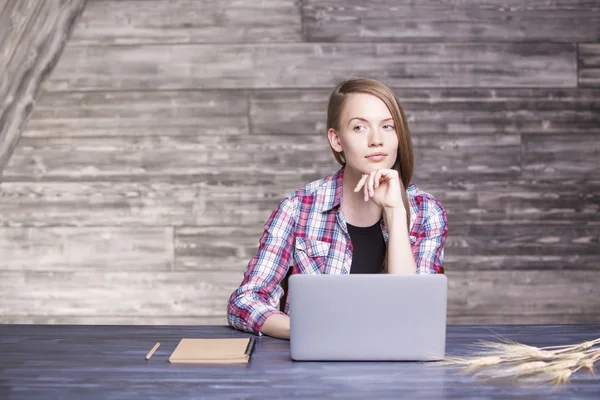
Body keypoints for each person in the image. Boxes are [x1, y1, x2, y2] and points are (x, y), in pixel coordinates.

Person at [227, 77, 448, 339]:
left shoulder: (427, 212)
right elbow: (244, 302)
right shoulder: (298, 208)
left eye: (387, 126)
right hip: (314, 366)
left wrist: (396, 213)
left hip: (397, 365)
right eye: (359, 128)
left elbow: (414, 316)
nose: (376, 140)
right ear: (336, 140)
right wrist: (306, 331)